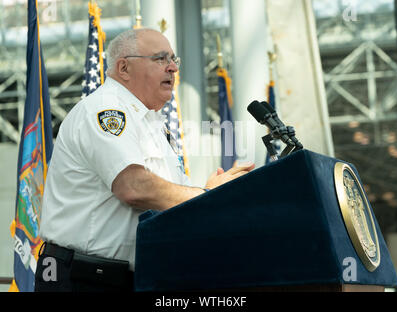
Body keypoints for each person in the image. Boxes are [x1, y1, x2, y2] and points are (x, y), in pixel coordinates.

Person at [34, 28, 255, 292]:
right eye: (161, 59)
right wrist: (205, 194)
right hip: (83, 278)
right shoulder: (106, 108)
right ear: (124, 68)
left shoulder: (152, 125)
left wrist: (206, 195)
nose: (173, 68)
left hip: (128, 278)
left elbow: (168, 202)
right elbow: (134, 187)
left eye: (174, 60)